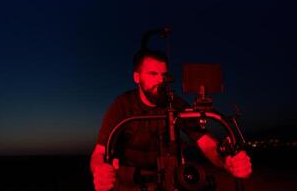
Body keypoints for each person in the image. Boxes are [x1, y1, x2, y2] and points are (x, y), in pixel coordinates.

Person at [90, 49, 252, 191]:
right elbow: (99, 153)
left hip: (170, 179)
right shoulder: (122, 105)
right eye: (153, 74)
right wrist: (100, 171)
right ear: (137, 77)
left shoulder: (175, 103)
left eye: (164, 75)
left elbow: (206, 142)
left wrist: (227, 162)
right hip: (130, 182)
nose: (160, 80)